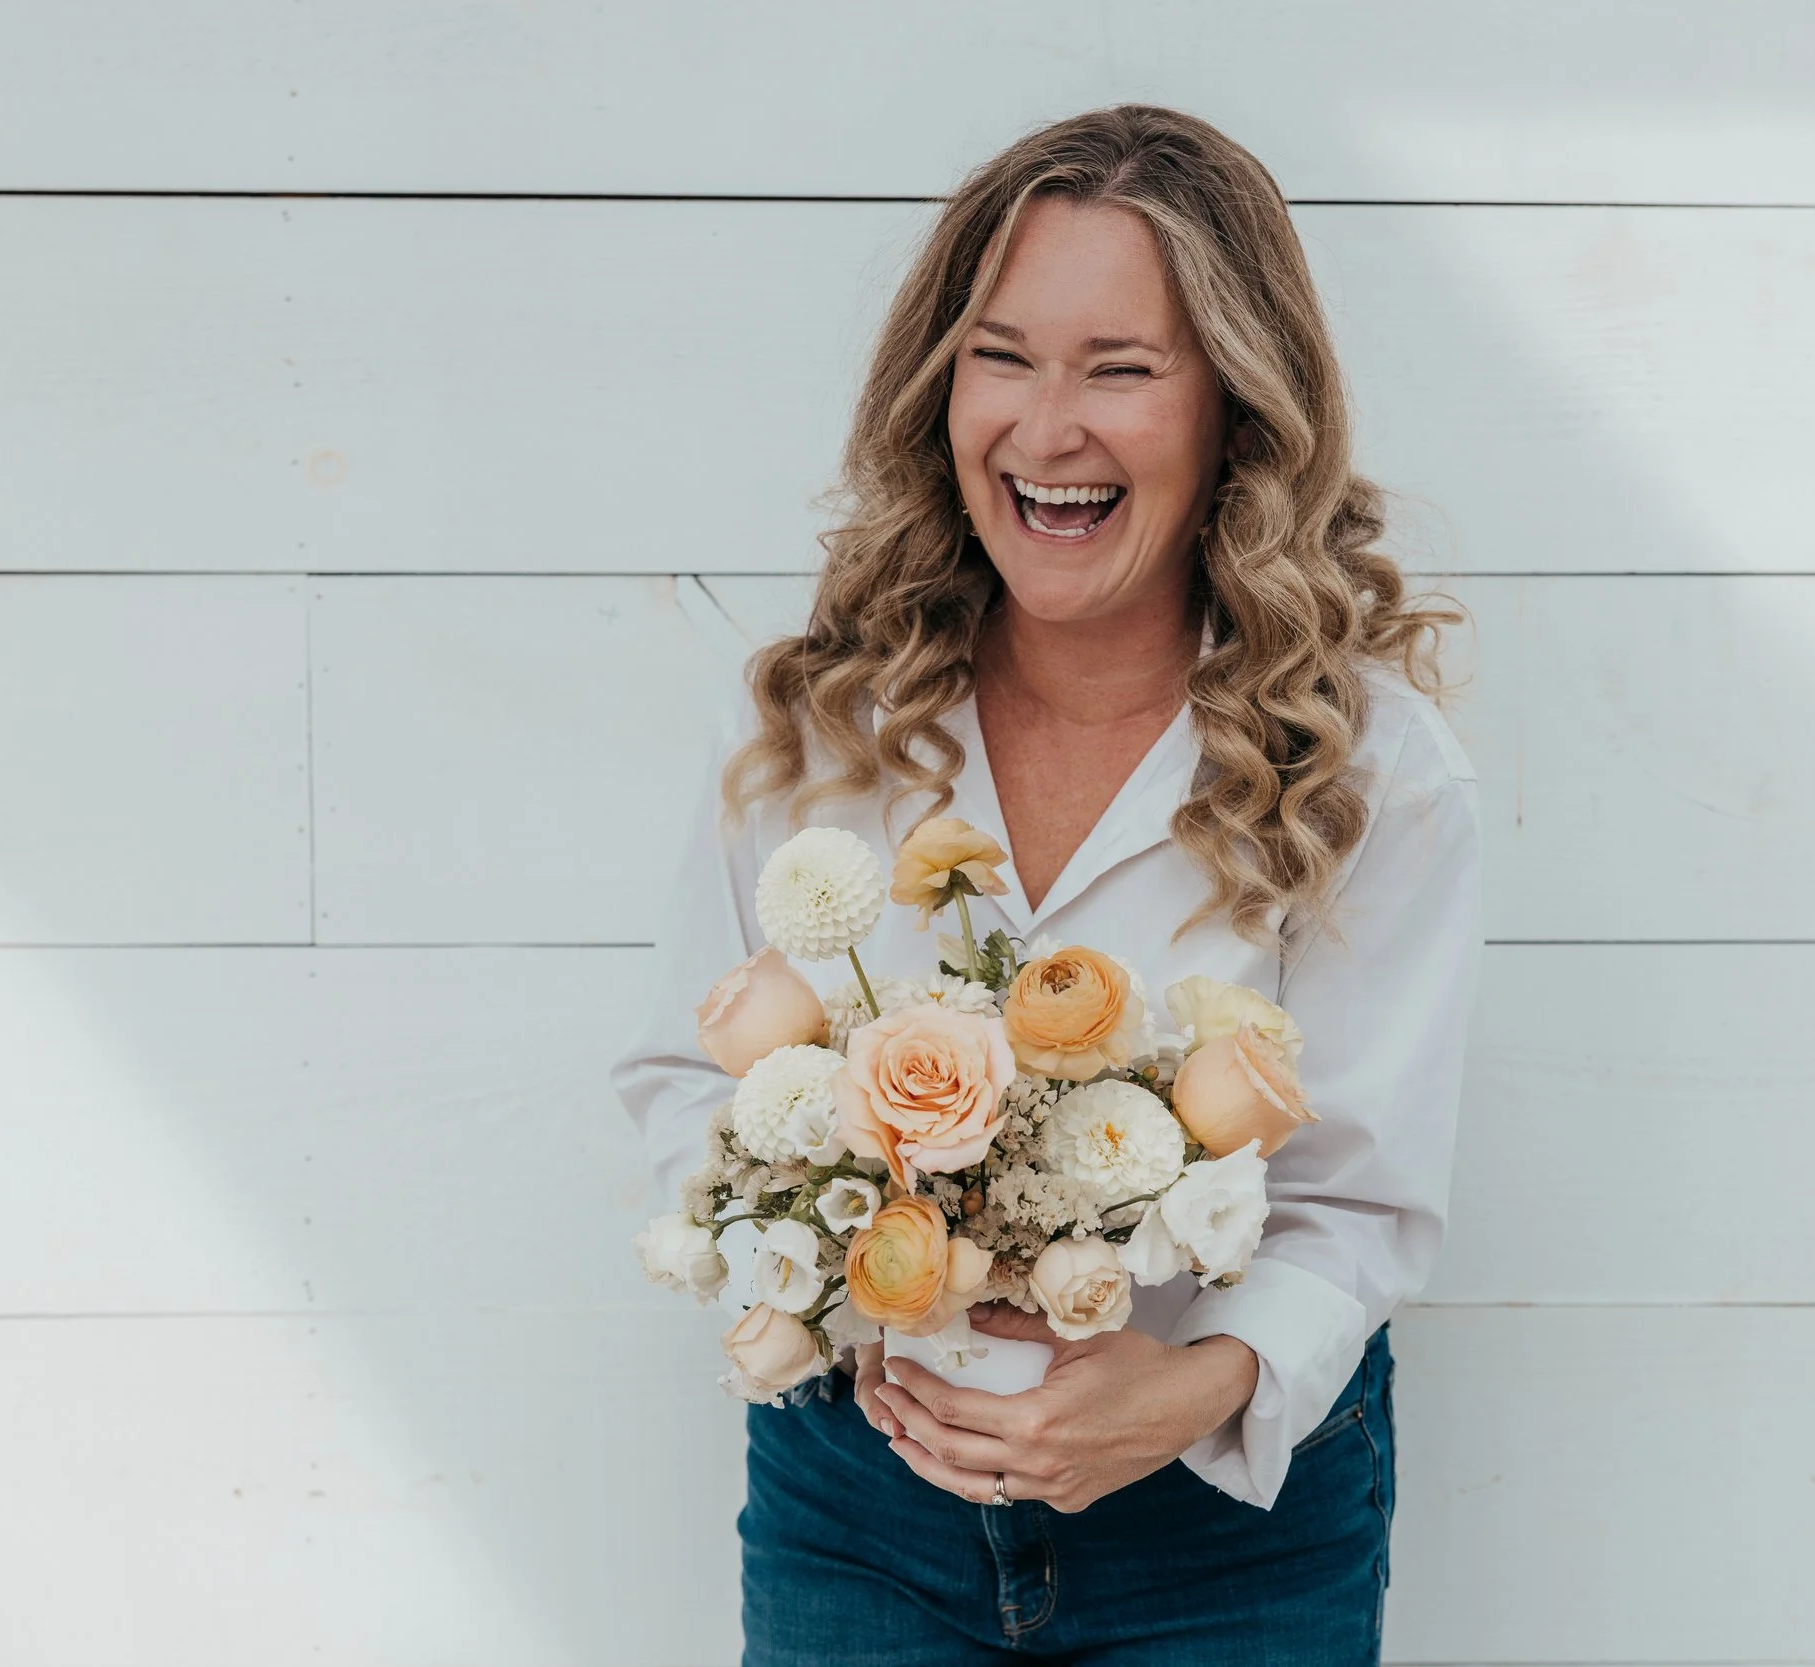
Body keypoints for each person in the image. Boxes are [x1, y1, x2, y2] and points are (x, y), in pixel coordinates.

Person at [612, 104, 1483, 1666]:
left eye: (1123, 368)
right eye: (1002, 355)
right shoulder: (828, 722)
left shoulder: (1373, 768)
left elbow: (1357, 1198)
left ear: (1236, 406)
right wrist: (835, 1263)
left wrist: (1193, 1384)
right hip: (861, 1505)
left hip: (1229, 1527)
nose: (1047, 425)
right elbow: (689, 1080)